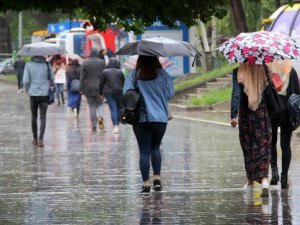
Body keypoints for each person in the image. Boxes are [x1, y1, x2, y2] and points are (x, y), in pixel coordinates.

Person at [123, 55, 175, 194]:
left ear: (139, 60)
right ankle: (157, 180)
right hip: (160, 118)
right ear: (156, 60)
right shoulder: (163, 74)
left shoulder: (134, 75)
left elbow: (126, 93)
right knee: (155, 148)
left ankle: (146, 184)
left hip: (141, 118)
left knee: (144, 151)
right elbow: (170, 93)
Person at [231, 63, 272, 197]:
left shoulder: (238, 70)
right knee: (263, 145)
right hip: (261, 113)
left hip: (245, 115)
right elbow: (269, 91)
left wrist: (233, 115)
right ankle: (265, 180)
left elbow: (236, 93)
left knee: (248, 146)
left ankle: (250, 181)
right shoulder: (264, 69)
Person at [267, 60, 300, 189]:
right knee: (285, 145)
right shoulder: (291, 70)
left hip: (272, 111)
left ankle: (274, 174)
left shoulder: (268, 70)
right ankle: (284, 177)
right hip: (287, 112)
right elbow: (297, 93)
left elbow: (265, 92)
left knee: (271, 143)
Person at [23, 56, 54, 147]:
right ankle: (41, 139)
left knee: (34, 116)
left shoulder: (28, 65)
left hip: (33, 94)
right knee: (43, 117)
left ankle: (35, 139)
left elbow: (25, 81)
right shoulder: (47, 65)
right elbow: (52, 78)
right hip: (44, 94)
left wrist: (29, 90)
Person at [80, 47, 106, 131]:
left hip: (89, 88)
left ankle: (94, 125)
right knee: (100, 105)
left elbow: (82, 78)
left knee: (91, 106)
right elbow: (104, 75)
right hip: (100, 88)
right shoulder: (102, 62)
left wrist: (81, 89)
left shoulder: (85, 63)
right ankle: (100, 119)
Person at [99, 58, 125, 133]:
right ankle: (117, 122)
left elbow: (101, 84)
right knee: (119, 108)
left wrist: (100, 93)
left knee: (113, 109)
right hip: (119, 92)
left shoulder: (105, 72)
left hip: (109, 93)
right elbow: (123, 82)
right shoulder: (120, 72)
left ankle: (115, 126)